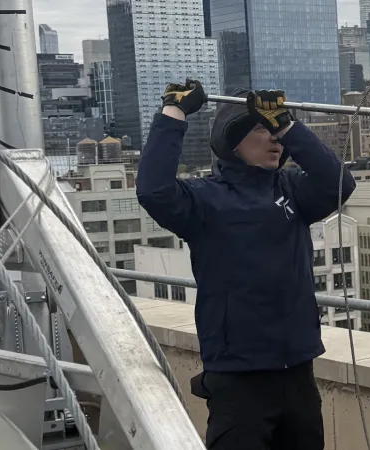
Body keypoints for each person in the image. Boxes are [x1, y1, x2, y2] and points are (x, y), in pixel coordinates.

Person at [136, 79, 355, 450]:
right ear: (232, 141)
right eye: (260, 128)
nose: (275, 140)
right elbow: (154, 191)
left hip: (298, 371)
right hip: (238, 378)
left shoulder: (292, 190)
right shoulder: (204, 200)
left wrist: (287, 124)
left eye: (276, 131)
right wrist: (173, 112)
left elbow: (339, 182)